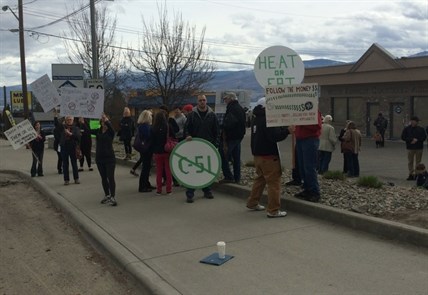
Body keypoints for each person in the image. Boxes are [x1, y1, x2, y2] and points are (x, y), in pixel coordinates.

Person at [246, 98, 292, 218]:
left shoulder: (256, 119)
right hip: (269, 156)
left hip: (258, 155)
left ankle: (252, 202)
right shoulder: (268, 119)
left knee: (260, 179)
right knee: (274, 183)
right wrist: (287, 130)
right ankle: (273, 210)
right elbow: (274, 136)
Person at [183, 94, 219, 203]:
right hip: (194, 146)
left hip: (208, 147)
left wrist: (215, 145)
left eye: (204, 100)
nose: (202, 102)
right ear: (197, 102)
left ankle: (207, 190)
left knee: (206, 170)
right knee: (193, 170)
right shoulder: (192, 115)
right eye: (200, 100)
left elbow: (217, 132)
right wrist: (188, 135)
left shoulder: (212, 115)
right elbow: (186, 129)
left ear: (206, 101)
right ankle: (190, 193)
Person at [219, 92, 246, 184]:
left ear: (231, 99)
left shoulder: (232, 109)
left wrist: (222, 126)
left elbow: (230, 123)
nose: (225, 100)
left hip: (231, 137)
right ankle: (237, 177)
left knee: (223, 156)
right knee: (236, 158)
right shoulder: (240, 108)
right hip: (238, 137)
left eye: (225, 98)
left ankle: (228, 176)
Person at [94, 113, 117, 206]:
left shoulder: (110, 133)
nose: (103, 123)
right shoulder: (98, 132)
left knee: (110, 177)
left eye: (105, 122)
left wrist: (106, 119)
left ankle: (113, 196)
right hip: (100, 159)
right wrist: (82, 122)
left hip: (109, 158)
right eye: (102, 122)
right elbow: (87, 130)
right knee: (103, 178)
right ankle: (107, 195)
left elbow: (113, 130)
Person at [151, 111, 174, 195]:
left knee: (159, 172)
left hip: (157, 152)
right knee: (168, 171)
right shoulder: (168, 126)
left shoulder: (153, 128)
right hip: (167, 151)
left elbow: (152, 141)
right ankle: (169, 189)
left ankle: (159, 190)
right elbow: (174, 137)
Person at [401, 116, 427, 180]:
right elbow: (403, 137)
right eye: (412, 121)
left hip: (419, 148)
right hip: (410, 148)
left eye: (415, 121)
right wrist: (411, 139)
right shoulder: (407, 129)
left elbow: (424, 137)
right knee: (410, 161)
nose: (413, 122)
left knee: (418, 162)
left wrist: (417, 140)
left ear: (417, 122)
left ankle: (417, 175)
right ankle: (411, 174)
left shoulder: (421, 129)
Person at [58, 115, 81, 185]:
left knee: (74, 163)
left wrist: (70, 134)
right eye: (67, 119)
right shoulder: (62, 127)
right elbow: (56, 124)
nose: (69, 121)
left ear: (73, 120)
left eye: (70, 119)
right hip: (64, 147)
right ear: (65, 120)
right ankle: (66, 180)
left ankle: (76, 178)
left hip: (73, 147)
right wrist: (56, 116)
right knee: (65, 164)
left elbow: (78, 138)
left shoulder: (76, 128)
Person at [136, 110, 155, 193]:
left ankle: (146, 183)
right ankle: (142, 186)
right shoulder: (145, 126)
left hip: (144, 149)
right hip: (147, 149)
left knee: (146, 167)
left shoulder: (141, 126)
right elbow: (148, 136)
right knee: (146, 168)